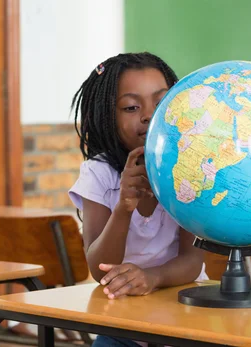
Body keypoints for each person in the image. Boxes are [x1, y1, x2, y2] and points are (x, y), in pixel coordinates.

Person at [69, 53, 208, 346]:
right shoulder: (99, 174)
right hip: (123, 320)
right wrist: (124, 207)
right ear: (107, 117)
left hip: (185, 313)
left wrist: (151, 278)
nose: (149, 115)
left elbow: (192, 262)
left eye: (161, 102)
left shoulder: (189, 168)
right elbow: (99, 268)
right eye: (131, 107)